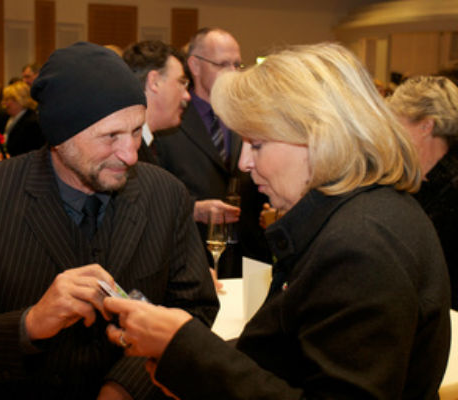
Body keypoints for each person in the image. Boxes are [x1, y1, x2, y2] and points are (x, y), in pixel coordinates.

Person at [103, 43, 451, 400]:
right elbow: (291, 355)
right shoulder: (362, 216)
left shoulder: (361, 245)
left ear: (319, 138)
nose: (244, 163)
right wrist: (182, 350)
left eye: (257, 144)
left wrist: (186, 350)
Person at [0, 42, 218, 399]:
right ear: (59, 136)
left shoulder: (165, 195)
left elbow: (195, 310)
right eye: (111, 136)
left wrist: (125, 387)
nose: (131, 155)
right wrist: (30, 324)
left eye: (135, 131)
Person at [154, 27, 269, 277]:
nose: (232, 73)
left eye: (237, 65)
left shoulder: (250, 114)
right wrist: (195, 208)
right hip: (193, 257)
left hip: (249, 257)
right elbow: (155, 196)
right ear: (195, 66)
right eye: (223, 64)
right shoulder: (168, 121)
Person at [388, 75, 458, 310]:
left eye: (397, 125)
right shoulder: (414, 181)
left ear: (426, 126)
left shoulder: (451, 193)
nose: (392, 136)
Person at [122, 40, 191, 164]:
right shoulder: (127, 151)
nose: (187, 96)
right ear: (154, 82)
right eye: (181, 82)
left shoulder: (150, 145)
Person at [2, 80, 45, 157]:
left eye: (7, 100)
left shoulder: (32, 122)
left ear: (19, 100)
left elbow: (31, 151)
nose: (4, 103)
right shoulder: (11, 119)